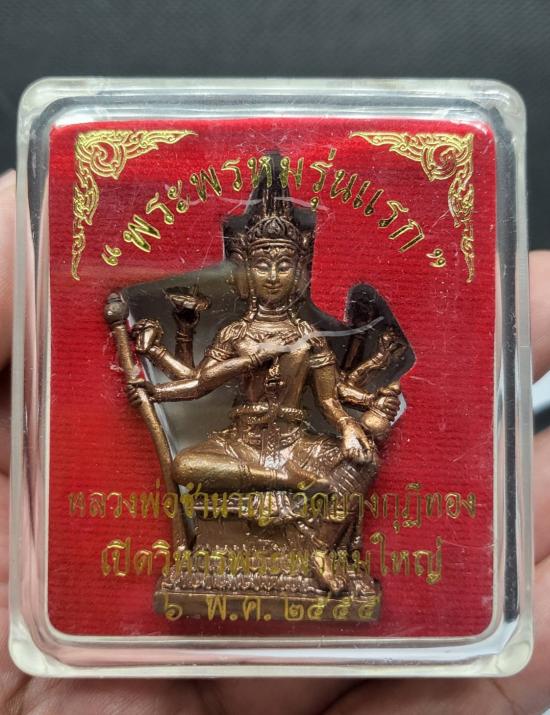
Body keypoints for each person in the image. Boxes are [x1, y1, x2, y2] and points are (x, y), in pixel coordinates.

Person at [0, 168, 549, 712]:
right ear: (245, 269)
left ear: (301, 271)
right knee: (188, 465)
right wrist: (152, 382)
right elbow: (198, 385)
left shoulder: (309, 339)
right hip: (240, 443)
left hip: (296, 439)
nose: (272, 275)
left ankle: (320, 553)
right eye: (262, 264)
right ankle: (281, 484)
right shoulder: (235, 333)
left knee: (362, 462)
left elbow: (329, 405)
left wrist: (352, 429)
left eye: (284, 264)